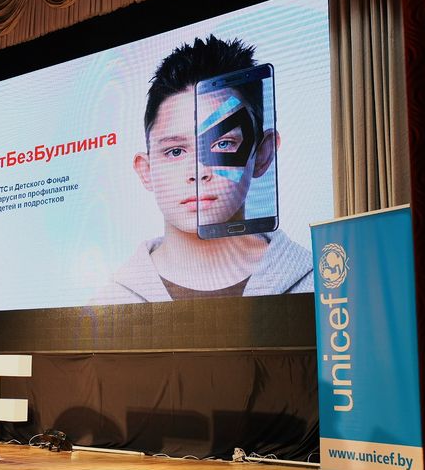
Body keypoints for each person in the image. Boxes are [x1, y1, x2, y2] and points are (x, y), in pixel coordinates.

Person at [94, 36, 312, 304]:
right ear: (146, 170)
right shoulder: (110, 301)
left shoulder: (326, 287)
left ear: (263, 154)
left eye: (222, 144)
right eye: (175, 151)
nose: (198, 172)